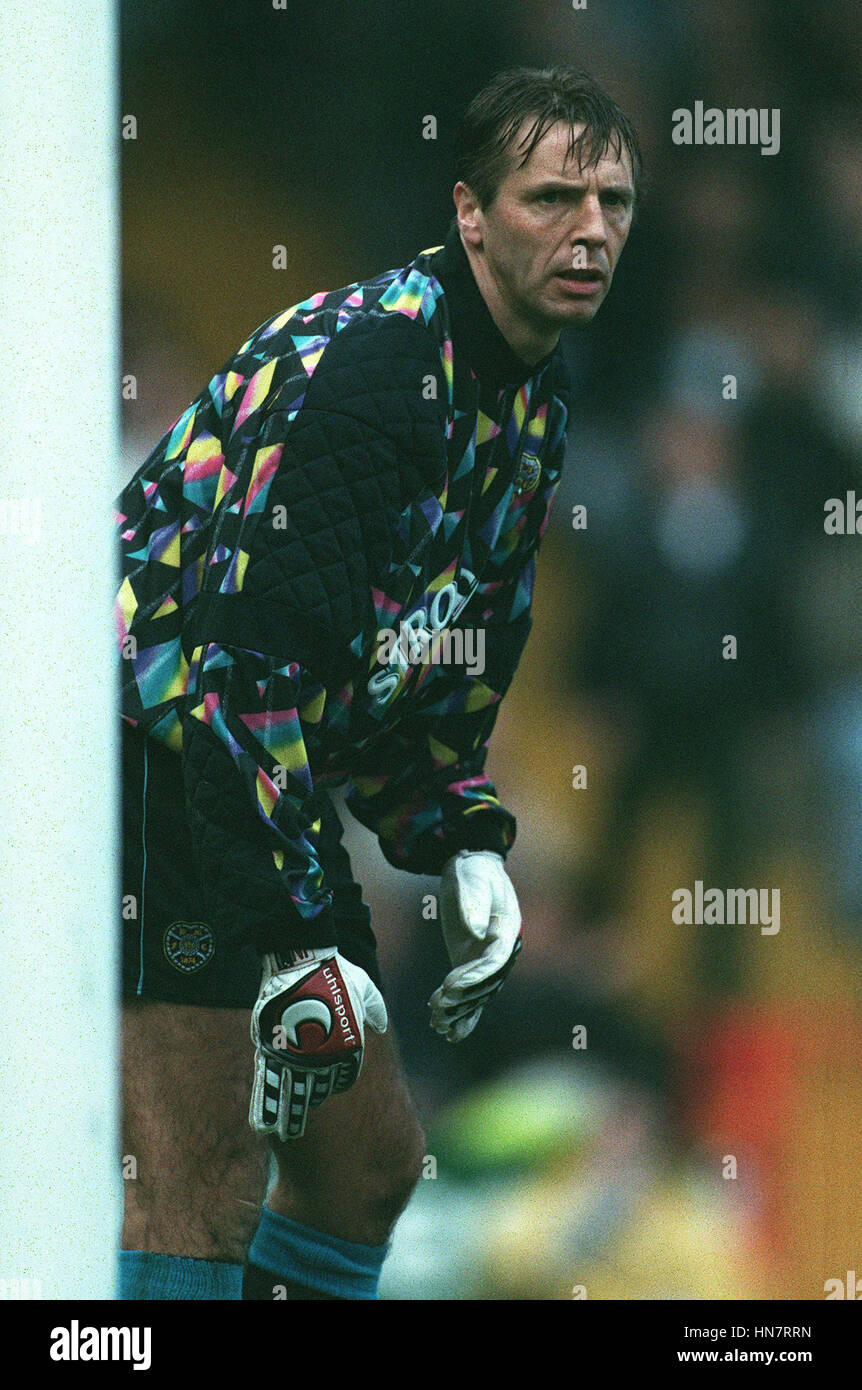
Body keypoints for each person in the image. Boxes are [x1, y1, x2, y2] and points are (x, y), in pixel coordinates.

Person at [115, 65, 640, 1301]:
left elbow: (437, 667)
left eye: (613, 200)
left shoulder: (531, 396)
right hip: (152, 757)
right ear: (469, 212)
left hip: (245, 773)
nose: (591, 230)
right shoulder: (378, 369)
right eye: (552, 196)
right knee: (202, 1176)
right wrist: (311, 929)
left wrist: (461, 834)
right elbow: (245, 667)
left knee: (369, 1169)